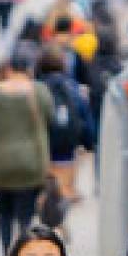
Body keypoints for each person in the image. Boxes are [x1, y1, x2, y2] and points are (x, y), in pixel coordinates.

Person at [0, 48, 54, 252]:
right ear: (29, 69)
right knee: (26, 215)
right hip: (31, 162)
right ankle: (23, 252)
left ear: (9, 68)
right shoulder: (39, 92)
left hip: (0, 164)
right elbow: (50, 119)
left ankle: (7, 250)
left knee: (4, 214)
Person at [34, 50, 95, 208]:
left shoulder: (36, 89)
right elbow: (85, 116)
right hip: (67, 146)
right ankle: (59, 220)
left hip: (43, 147)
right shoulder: (73, 88)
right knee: (63, 188)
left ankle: (47, 216)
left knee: (45, 191)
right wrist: (89, 142)